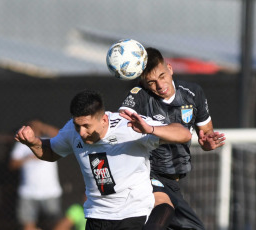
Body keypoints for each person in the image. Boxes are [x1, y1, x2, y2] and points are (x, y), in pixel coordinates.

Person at [15, 89, 192, 230]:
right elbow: (51, 152)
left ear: (104, 120)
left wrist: (151, 129)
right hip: (96, 216)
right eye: (78, 125)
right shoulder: (72, 130)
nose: (82, 133)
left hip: (132, 213)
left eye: (87, 126)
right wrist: (34, 143)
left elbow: (183, 133)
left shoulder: (130, 127)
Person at [119, 47, 226, 230]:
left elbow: (206, 132)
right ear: (143, 83)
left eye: (162, 76)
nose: (160, 86)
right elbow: (121, 120)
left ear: (170, 68)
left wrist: (208, 143)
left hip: (174, 180)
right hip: (148, 175)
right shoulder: (140, 96)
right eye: (151, 82)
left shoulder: (193, 93)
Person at [10, 119, 63, 230]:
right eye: (32, 126)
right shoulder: (22, 144)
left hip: (50, 191)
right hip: (28, 192)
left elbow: (62, 136)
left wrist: (43, 126)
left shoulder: (48, 141)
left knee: (56, 223)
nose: (34, 129)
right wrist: (29, 157)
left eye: (36, 126)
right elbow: (13, 164)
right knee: (28, 223)